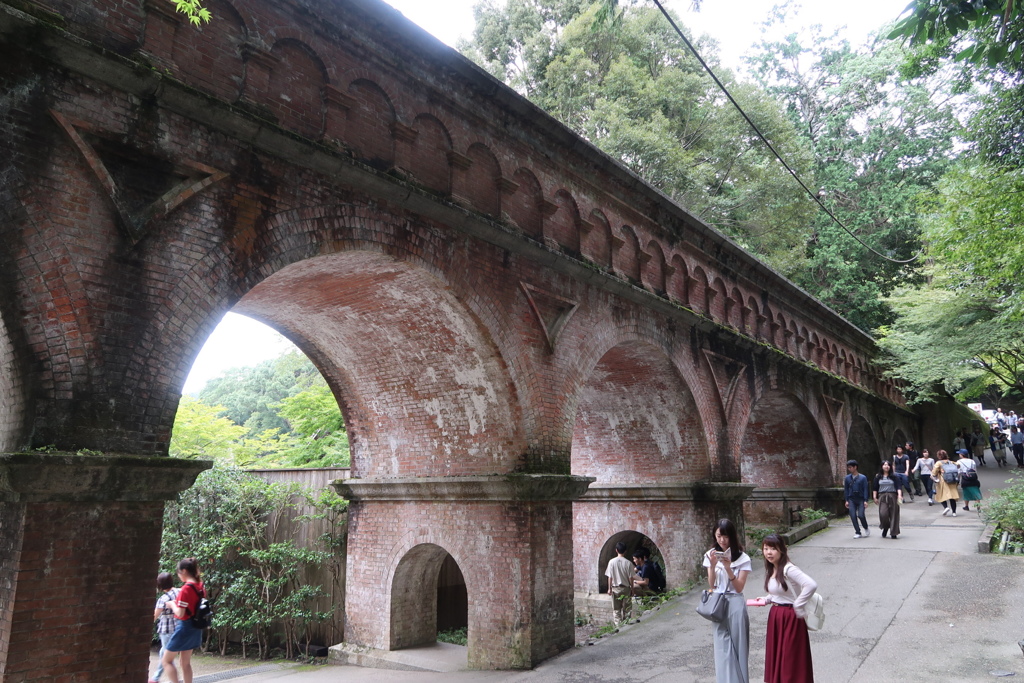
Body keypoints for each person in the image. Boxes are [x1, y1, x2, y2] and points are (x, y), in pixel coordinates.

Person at [758, 534, 816, 683]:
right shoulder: (772, 568)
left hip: (790, 618)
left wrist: (798, 604)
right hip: (776, 616)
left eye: (773, 549)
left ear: (782, 550)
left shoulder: (789, 569)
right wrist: (766, 599)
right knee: (778, 656)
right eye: (766, 548)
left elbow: (811, 584)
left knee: (790, 660)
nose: (769, 552)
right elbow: (779, 594)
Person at [703, 518, 752, 683]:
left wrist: (728, 567)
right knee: (722, 648)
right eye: (718, 536)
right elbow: (712, 585)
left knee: (739, 648)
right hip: (718, 604)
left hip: (736, 603)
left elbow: (739, 588)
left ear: (732, 536)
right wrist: (711, 565)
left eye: (725, 536)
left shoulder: (743, 558)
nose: (722, 540)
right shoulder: (710, 555)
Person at [161, 558, 206, 683]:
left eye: (179, 573)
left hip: (185, 627)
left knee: (166, 661)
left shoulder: (186, 588)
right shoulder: (200, 586)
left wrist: (171, 605)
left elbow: (180, 612)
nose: (178, 575)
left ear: (184, 571)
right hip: (196, 627)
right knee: (185, 663)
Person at [149, 572, 179, 683]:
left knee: (167, 656)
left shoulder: (163, 599)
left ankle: (160, 678)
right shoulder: (180, 592)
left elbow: (154, 616)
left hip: (167, 630)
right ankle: (156, 678)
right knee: (165, 653)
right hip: (179, 627)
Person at [872, 460, 903, 539]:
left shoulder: (894, 476)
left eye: (888, 465)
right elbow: (875, 488)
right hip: (882, 496)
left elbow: (898, 486)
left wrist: (899, 495)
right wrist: (875, 497)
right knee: (883, 514)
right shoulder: (878, 476)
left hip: (893, 495)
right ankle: (885, 526)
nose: (886, 466)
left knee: (894, 514)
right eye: (885, 465)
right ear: (882, 466)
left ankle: (894, 532)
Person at [605, 541, 634, 623]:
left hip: (615, 589)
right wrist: (632, 589)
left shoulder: (611, 562)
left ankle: (619, 628)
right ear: (625, 551)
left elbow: (610, 577)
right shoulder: (628, 563)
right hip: (626, 588)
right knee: (627, 610)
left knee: (616, 610)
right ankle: (627, 626)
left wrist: (609, 589)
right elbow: (631, 578)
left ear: (616, 550)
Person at [843, 460, 870, 538]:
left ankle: (865, 527)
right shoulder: (847, 478)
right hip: (851, 499)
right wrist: (846, 500)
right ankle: (858, 532)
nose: (849, 469)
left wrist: (865, 500)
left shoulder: (863, 478)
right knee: (852, 515)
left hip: (861, 498)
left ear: (855, 467)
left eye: (850, 467)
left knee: (861, 515)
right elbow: (846, 489)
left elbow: (865, 489)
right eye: (848, 467)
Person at [932, 449, 960, 517]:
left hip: (943, 481)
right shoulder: (951, 462)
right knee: (952, 496)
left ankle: (946, 507)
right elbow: (958, 465)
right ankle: (954, 512)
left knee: (940, 494)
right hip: (952, 481)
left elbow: (934, 472)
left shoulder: (939, 463)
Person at [957, 448, 983, 514]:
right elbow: (975, 470)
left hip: (965, 479)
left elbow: (958, 472)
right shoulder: (972, 461)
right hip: (973, 478)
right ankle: (978, 507)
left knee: (966, 492)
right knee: (976, 492)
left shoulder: (959, 462)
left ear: (962, 455)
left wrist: (958, 480)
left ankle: (966, 506)